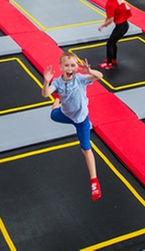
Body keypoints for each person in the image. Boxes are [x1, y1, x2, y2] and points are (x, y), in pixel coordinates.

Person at [41, 52, 104, 201]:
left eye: (73, 65)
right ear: (61, 67)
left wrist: (90, 72)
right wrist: (46, 81)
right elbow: (45, 94)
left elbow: (100, 76)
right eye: (67, 65)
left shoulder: (80, 79)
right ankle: (57, 101)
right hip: (65, 114)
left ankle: (94, 181)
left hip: (81, 119)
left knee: (86, 149)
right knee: (53, 114)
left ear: (77, 67)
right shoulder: (56, 82)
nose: (70, 68)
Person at [97, 0, 131, 70]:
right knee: (113, 42)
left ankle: (109, 63)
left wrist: (102, 25)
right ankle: (114, 59)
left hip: (121, 26)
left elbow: (111, 20)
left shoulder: (111, 4)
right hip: (123, 24)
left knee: (110, 43)